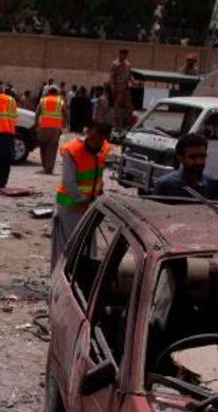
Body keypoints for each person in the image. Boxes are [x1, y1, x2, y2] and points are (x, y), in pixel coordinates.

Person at [52, 122, 111, 269]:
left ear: (104, 138)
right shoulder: (72, 151)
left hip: (89, 205)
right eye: (92, 136)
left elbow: (98, 175)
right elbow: (68, 181)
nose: (94, 141)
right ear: (87, 131)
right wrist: (81, 201)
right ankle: (62, 278)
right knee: (69, 246)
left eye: (99, 139)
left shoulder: (104, 149)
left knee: (87, 245)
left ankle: (82, 279)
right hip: (70, 205)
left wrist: (99, 193)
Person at [152, 133, 218, 201]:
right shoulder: (166, 186)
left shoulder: (216, 185)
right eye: (193, 157)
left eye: (202, 156)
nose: (199, 162)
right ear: (181, 158)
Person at [35, 86, 66, 175]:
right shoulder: (60, 101)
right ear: (56, 94)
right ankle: (49, 168)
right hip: (55, 128)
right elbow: (65, 113)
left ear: (48, 93)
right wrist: (64, 125)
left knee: (43, 147)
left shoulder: (43, 101)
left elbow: (37, 114)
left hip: (43, 127)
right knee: (52, 148)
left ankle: (44, 166)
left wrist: (36, 125)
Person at [109, 48, 133, 133]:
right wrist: (113, 89)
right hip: (118, 89)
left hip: (126, 88)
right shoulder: (115, 64)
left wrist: (132, 81)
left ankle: (127, 125)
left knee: (129, 108)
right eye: (122, 54)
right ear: (119, 54)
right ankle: (117, 127)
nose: (123, 56)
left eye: (125, 54)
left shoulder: (127, 64)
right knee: (117, 109)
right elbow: (112, 77)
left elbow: (129, 75)